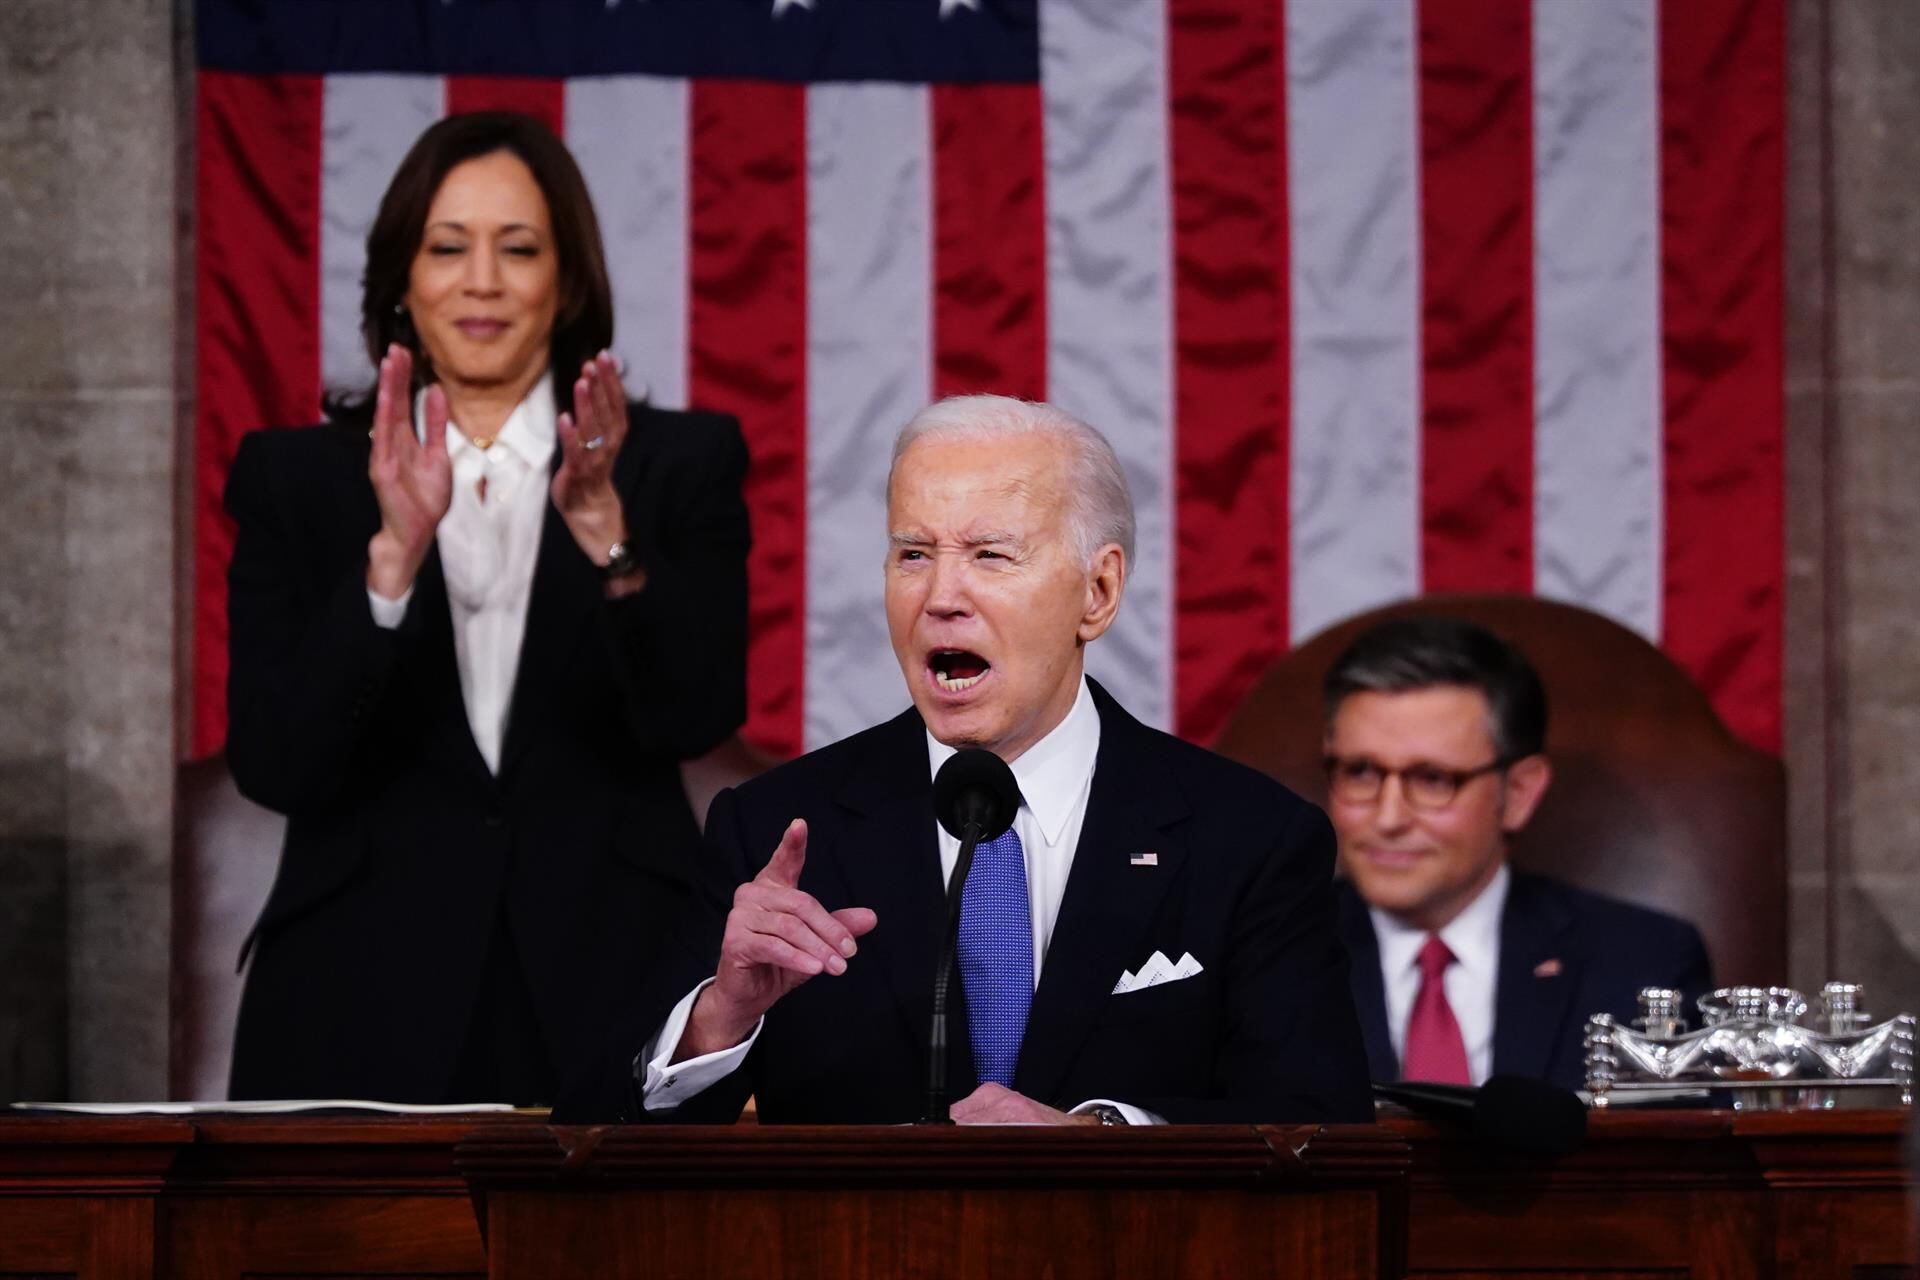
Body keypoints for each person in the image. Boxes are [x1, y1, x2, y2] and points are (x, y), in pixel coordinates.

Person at [567, 395, 1372, 1125]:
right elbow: (592, 1145)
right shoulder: (777, 834)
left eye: (990, 555)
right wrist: (719, 1016)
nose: (940, 595)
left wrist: (1105, 1141)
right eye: (913, 554)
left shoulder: (1251, 842)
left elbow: (1321, 1135)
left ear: (1097, 592)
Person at [225, 112, 749, 1104]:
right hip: (354, 986)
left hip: (609, 972)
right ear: (403, 278)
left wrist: (608, 535)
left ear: (568, 278)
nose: (482, 280)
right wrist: (390, 560)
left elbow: (696, 711)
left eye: (518, 249)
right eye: (447, 247)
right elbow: (276, 760)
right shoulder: (295, 478)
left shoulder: (679, 464)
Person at [1323, 616, 1712, 1093]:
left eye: (1432, 780)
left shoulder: (1643, 964)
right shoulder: (1264, 957)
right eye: (1360, 772)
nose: (1387, 819)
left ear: (1520, 792)